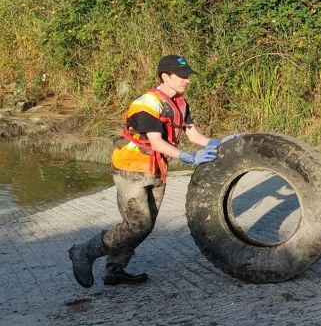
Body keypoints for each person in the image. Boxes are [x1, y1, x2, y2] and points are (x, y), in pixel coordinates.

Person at [68, 54, 235, 287]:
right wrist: (189, 156)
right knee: (138, 225)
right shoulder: (148, 103)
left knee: (143, 227)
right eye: (182, 76)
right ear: (165, 76)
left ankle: (115, 270)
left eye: (188, 76)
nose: (187, 80)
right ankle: (84, 252)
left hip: (156, 169)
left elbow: (193, 135)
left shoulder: (181, 103)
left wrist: (220, 143)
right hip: (132, 168)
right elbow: (156, 142)